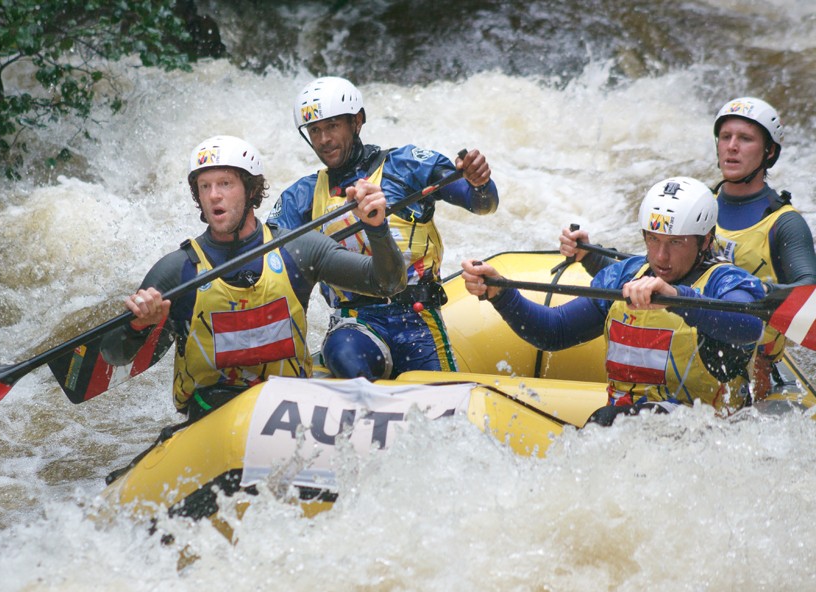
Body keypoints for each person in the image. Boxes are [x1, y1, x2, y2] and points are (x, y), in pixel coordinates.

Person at [100, 135, 406, 421]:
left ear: (250, 189)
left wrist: (376, 228)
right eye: (204, 186)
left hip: (287, 410)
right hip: (210, 414)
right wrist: (138, 325)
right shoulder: (177, 271)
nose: (214, 195)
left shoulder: (296, 250)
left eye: (225, 183)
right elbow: (114, 357)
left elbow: (387, 283)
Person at [560, 96, 816, 398]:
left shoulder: (784, 224)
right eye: (725, 137)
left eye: (745, 139)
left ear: (769, 151)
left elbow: (807, 299)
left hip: (747, 357)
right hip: (687, 334)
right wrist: (590, 256)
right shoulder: (694, 204)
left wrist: (753, 295)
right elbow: (656, 270)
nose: (732, 146)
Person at [465, 176, 766, 425]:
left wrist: (676, 297)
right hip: (628, 426)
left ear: (705, 240)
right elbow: (553, 332)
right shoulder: (627, 275)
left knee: (610, 421)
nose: (661, 256)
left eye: (676, 243)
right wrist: (500, 293)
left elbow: (749, 326)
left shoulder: (725, 281)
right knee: (614, 421)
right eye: (653, 239)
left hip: (710, 434)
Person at [267, 76, 499, 380]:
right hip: (354, 323)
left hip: (419, 318)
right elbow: (266, 260)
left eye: (333, 126)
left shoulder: (407, 167)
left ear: (357, 121)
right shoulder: (302, 197)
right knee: (345, 354)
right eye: (315, 130)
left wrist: (481, 183)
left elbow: (482, 204)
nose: (323, 140)